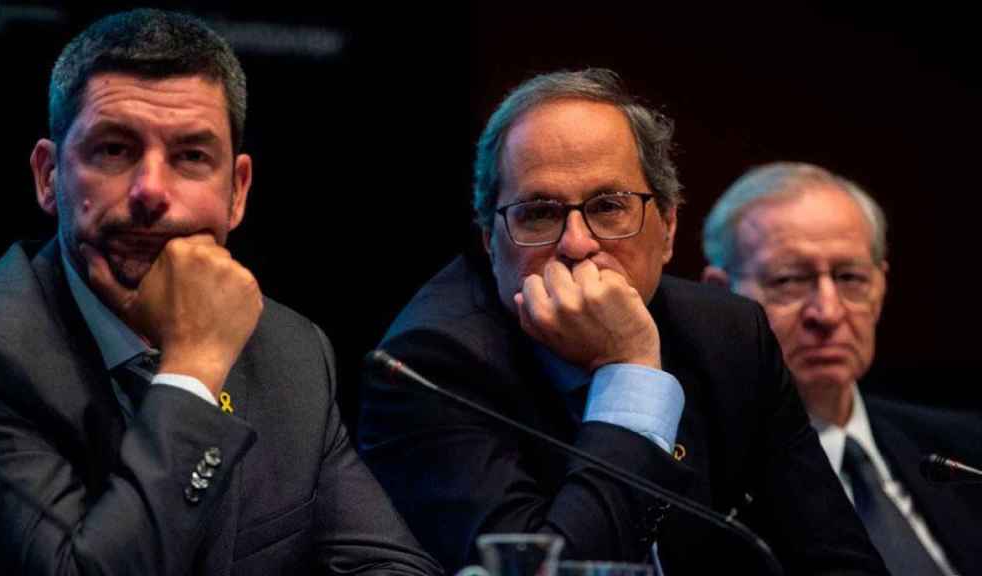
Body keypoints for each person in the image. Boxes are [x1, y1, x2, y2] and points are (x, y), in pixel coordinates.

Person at [0, 9, 440, 575]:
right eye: (113, 150)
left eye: (190, 156)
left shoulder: (290, 351)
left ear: (236, 192)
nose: (151, 192)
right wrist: (193, 370)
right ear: (48, 176)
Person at [358, 69, 888, 575]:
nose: (577, 244)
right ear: (488, 240)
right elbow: (551, 572)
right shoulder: (427, 367)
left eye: (608, 206)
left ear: (669, 228)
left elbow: (838, 562)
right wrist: (630, 371)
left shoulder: (730, 337)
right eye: (539, 212)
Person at [702, 162, 982, 575]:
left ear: (880, 288)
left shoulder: (966, 452)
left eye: (850, 277)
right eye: (789, 280)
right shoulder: (695, 485)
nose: (828, 312)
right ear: (721, 298)